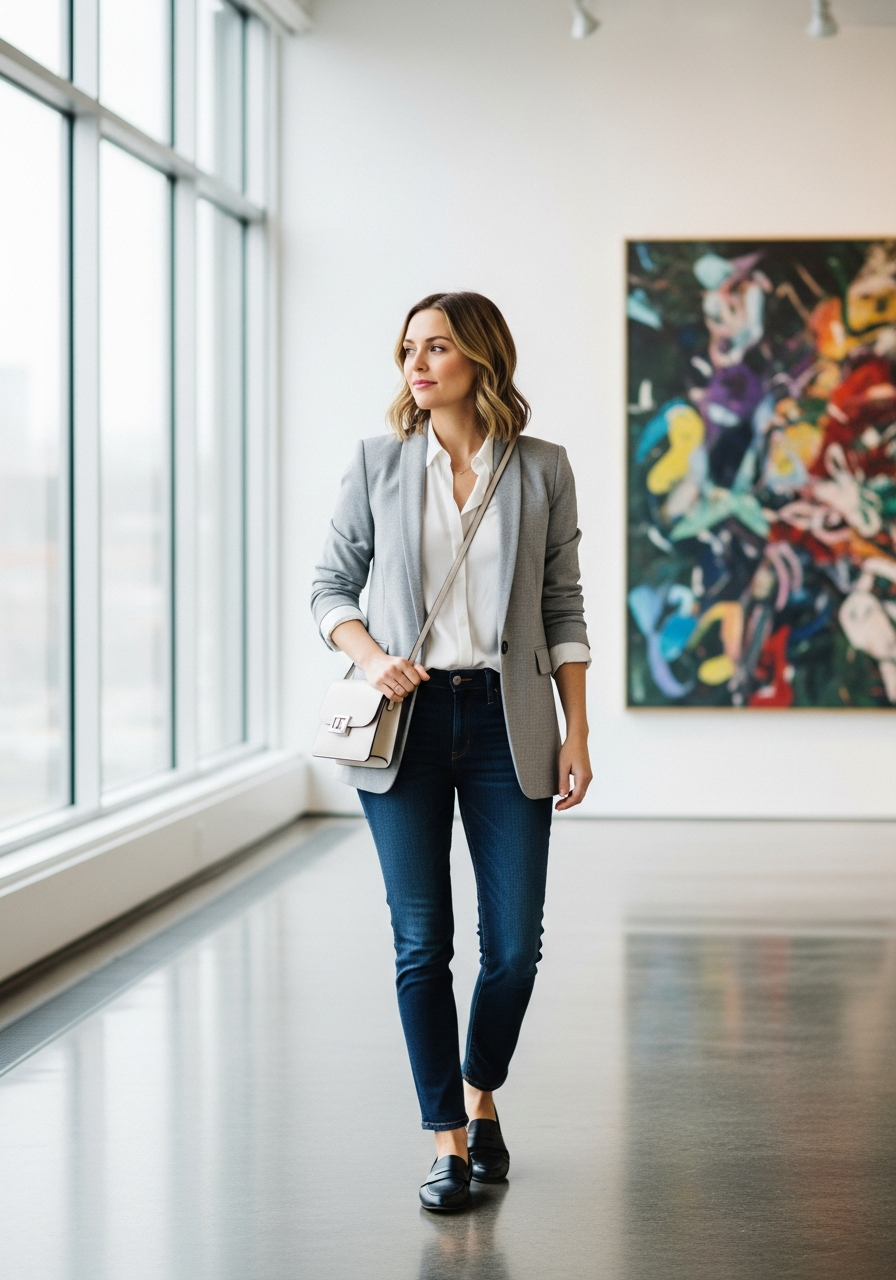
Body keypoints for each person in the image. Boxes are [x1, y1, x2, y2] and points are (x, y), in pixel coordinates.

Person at [311, 291, 591, 1211]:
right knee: (421, 941)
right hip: (410, 722)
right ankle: (447, 1140)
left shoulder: (542, 469)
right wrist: (372, 657)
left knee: (513, 949)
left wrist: (576, 727)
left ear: (481, 357)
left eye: (436, 347)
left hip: (509, 722)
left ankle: (481, 1094)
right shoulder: (377, 464)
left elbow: (562, 607)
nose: (416, 366)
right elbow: (328, 588)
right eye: (406, 351)